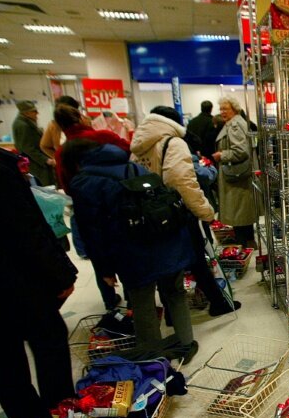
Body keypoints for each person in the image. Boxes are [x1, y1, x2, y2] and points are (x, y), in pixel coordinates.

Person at [0, 78, 78, 418]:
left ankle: (22, 413)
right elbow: (26, 229)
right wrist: (61, 274)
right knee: (49, 341)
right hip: (16, 276)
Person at [62, 139, 199, 360]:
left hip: (134, 250)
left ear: (74, 162)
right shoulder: (134, 167)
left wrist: (105, 269)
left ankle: (154, 358)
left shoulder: (84, 182)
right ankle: (186, 344)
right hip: (168, 239)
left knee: (143, 302)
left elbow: (92, 232)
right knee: (175, 293)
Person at [132, 106, 237, 316]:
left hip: (150, 215)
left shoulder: (138, 146)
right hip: (176, 212)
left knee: (164, 267)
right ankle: (217, 303)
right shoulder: (173, 143)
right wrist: (205, 211)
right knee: (197, 259)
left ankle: (172, 314)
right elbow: (182, 182)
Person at [54, 104, 131, 310]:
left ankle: (109, 299)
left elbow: (64, 182)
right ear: (80, 117)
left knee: (97, 251)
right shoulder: (103, 136)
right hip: (117, 200)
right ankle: (133, 297)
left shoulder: (63, 151)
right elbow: (127, 151)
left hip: (85, 205)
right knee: (124, 251)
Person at [213, 96, 258, 247]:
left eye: (225, 109)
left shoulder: (235, 125)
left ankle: (243, 245)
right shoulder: (237, 122)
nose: (222, 112)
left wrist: (222, 155)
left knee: (238, 212)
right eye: (221, 109)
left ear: (234, 109)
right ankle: (248, 242)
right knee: (243, 211)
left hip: (236, 176)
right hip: (239, 175)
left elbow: (241, 151)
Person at [13, 100, 56, 186]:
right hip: (36, 163)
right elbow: (27, 148)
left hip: (37, 162)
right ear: (26, 113)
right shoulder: (22, 125)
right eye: (34, 111)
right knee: (46, 187)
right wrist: (46, 160)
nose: (37, 113)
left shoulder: (26, 122)